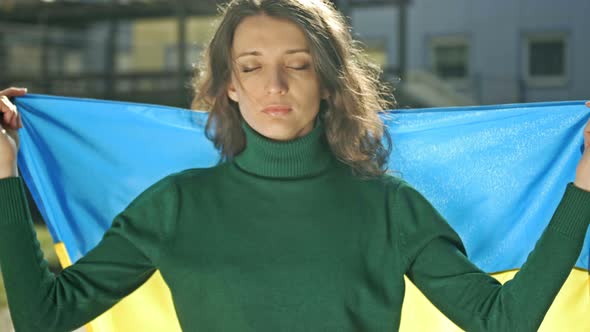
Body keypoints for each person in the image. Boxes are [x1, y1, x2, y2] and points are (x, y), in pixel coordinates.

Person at [1, 0, 590, 331]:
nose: (274, 85)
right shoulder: (176, 203)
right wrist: (4, 175)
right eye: (252, 66)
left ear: (330, 82)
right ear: (230, 85)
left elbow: (503, 322)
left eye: (299, 64)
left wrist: (585, 185)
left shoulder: (389, 207)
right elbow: (43, 316)